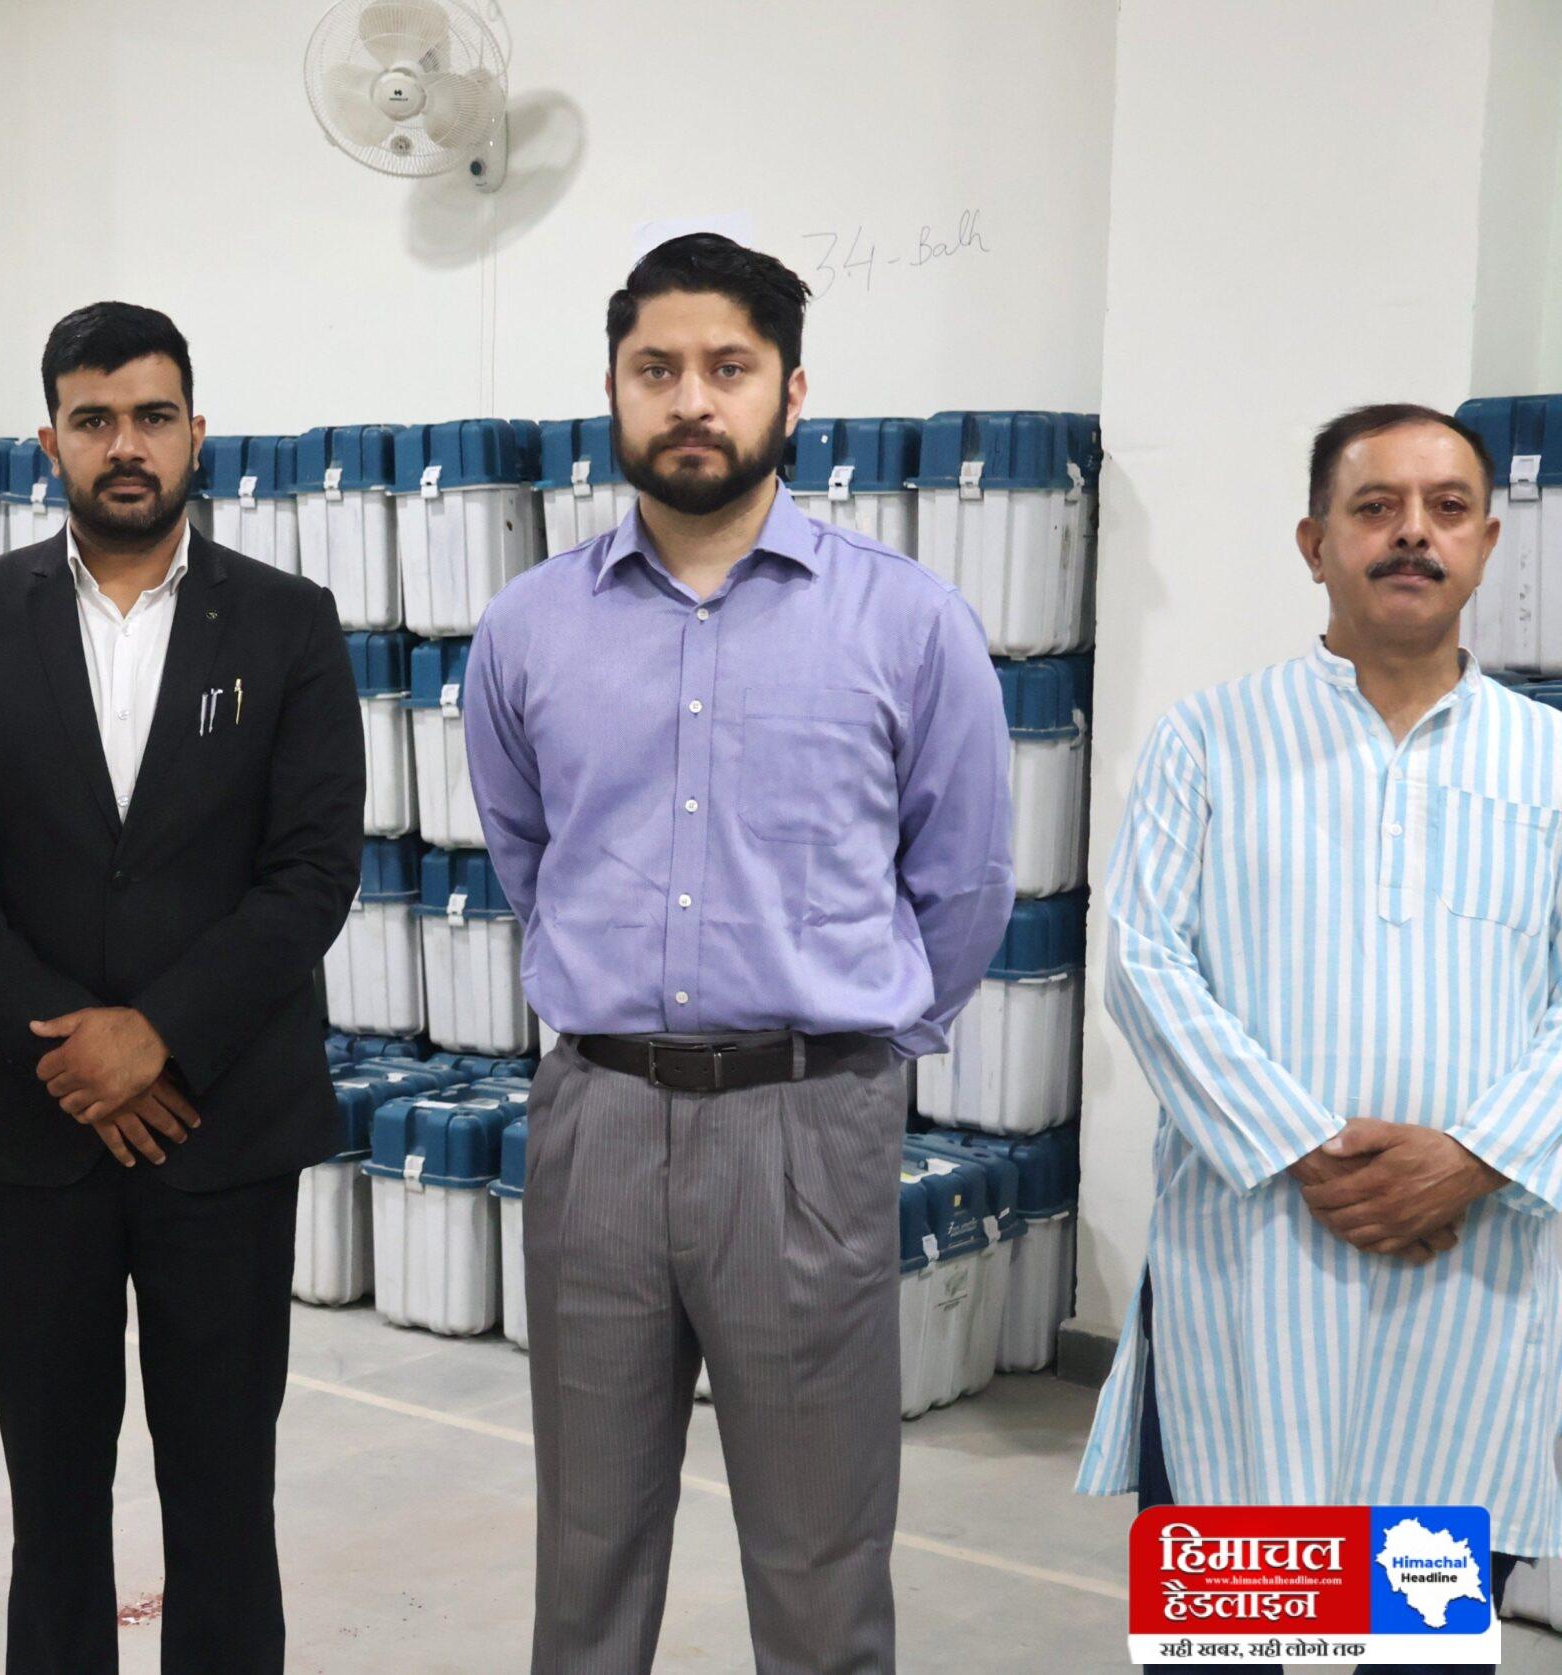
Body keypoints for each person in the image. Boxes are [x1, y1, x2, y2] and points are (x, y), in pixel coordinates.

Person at [462, 233, 1016, 1674]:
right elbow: (530, 855)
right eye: (657, 369)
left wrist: (852, 1052)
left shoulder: (906, 622)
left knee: (820, 1552)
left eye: (729, 367)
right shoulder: (528, 628)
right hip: (595, 1118)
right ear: (612, 389)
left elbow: (963, 885)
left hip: (806, 1124)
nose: (691, 400)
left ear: (792, 390)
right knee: (587, 1545)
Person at [0, 301, 364, 1675]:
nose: (126, 445)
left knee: (224, 1490)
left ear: (197, 433)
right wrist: (73, 1048)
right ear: (49, 442)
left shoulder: (285, 622)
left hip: (223, 1123)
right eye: (93, 420)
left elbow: (311, 868)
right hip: (32, 1127)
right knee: (52, 1498)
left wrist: (160, 1035)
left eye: (153, 416)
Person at [1080, 403, 1562, 1675]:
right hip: (1250, 1282)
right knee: (1240, 1650)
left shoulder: (1549, 761)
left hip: (1464, 1281)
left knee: (1415, 1645)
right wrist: (1304, 1148)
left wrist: (1471, 1157)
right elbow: (1143, 962)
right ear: (1313, 543)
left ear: (1487, 543)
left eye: (1446, 509)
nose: (1412, 534)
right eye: (1374, 507)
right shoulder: (1208, 738)